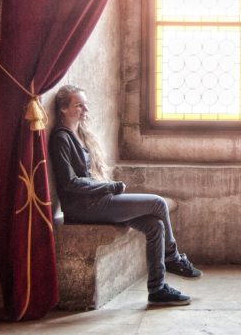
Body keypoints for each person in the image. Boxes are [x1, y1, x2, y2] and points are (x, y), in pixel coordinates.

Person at [48, 84, 201, 307]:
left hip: (95, 201)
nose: (85, 110)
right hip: (83, 207)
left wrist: (106, 187)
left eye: (86, 105)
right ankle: (173, 258)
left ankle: (157, 289)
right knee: (158, 203)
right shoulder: (61, 138)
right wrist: (108, 188)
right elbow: (69, 183)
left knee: (154, 226)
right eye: (79, 105)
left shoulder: (78, 135)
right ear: (63, 109)